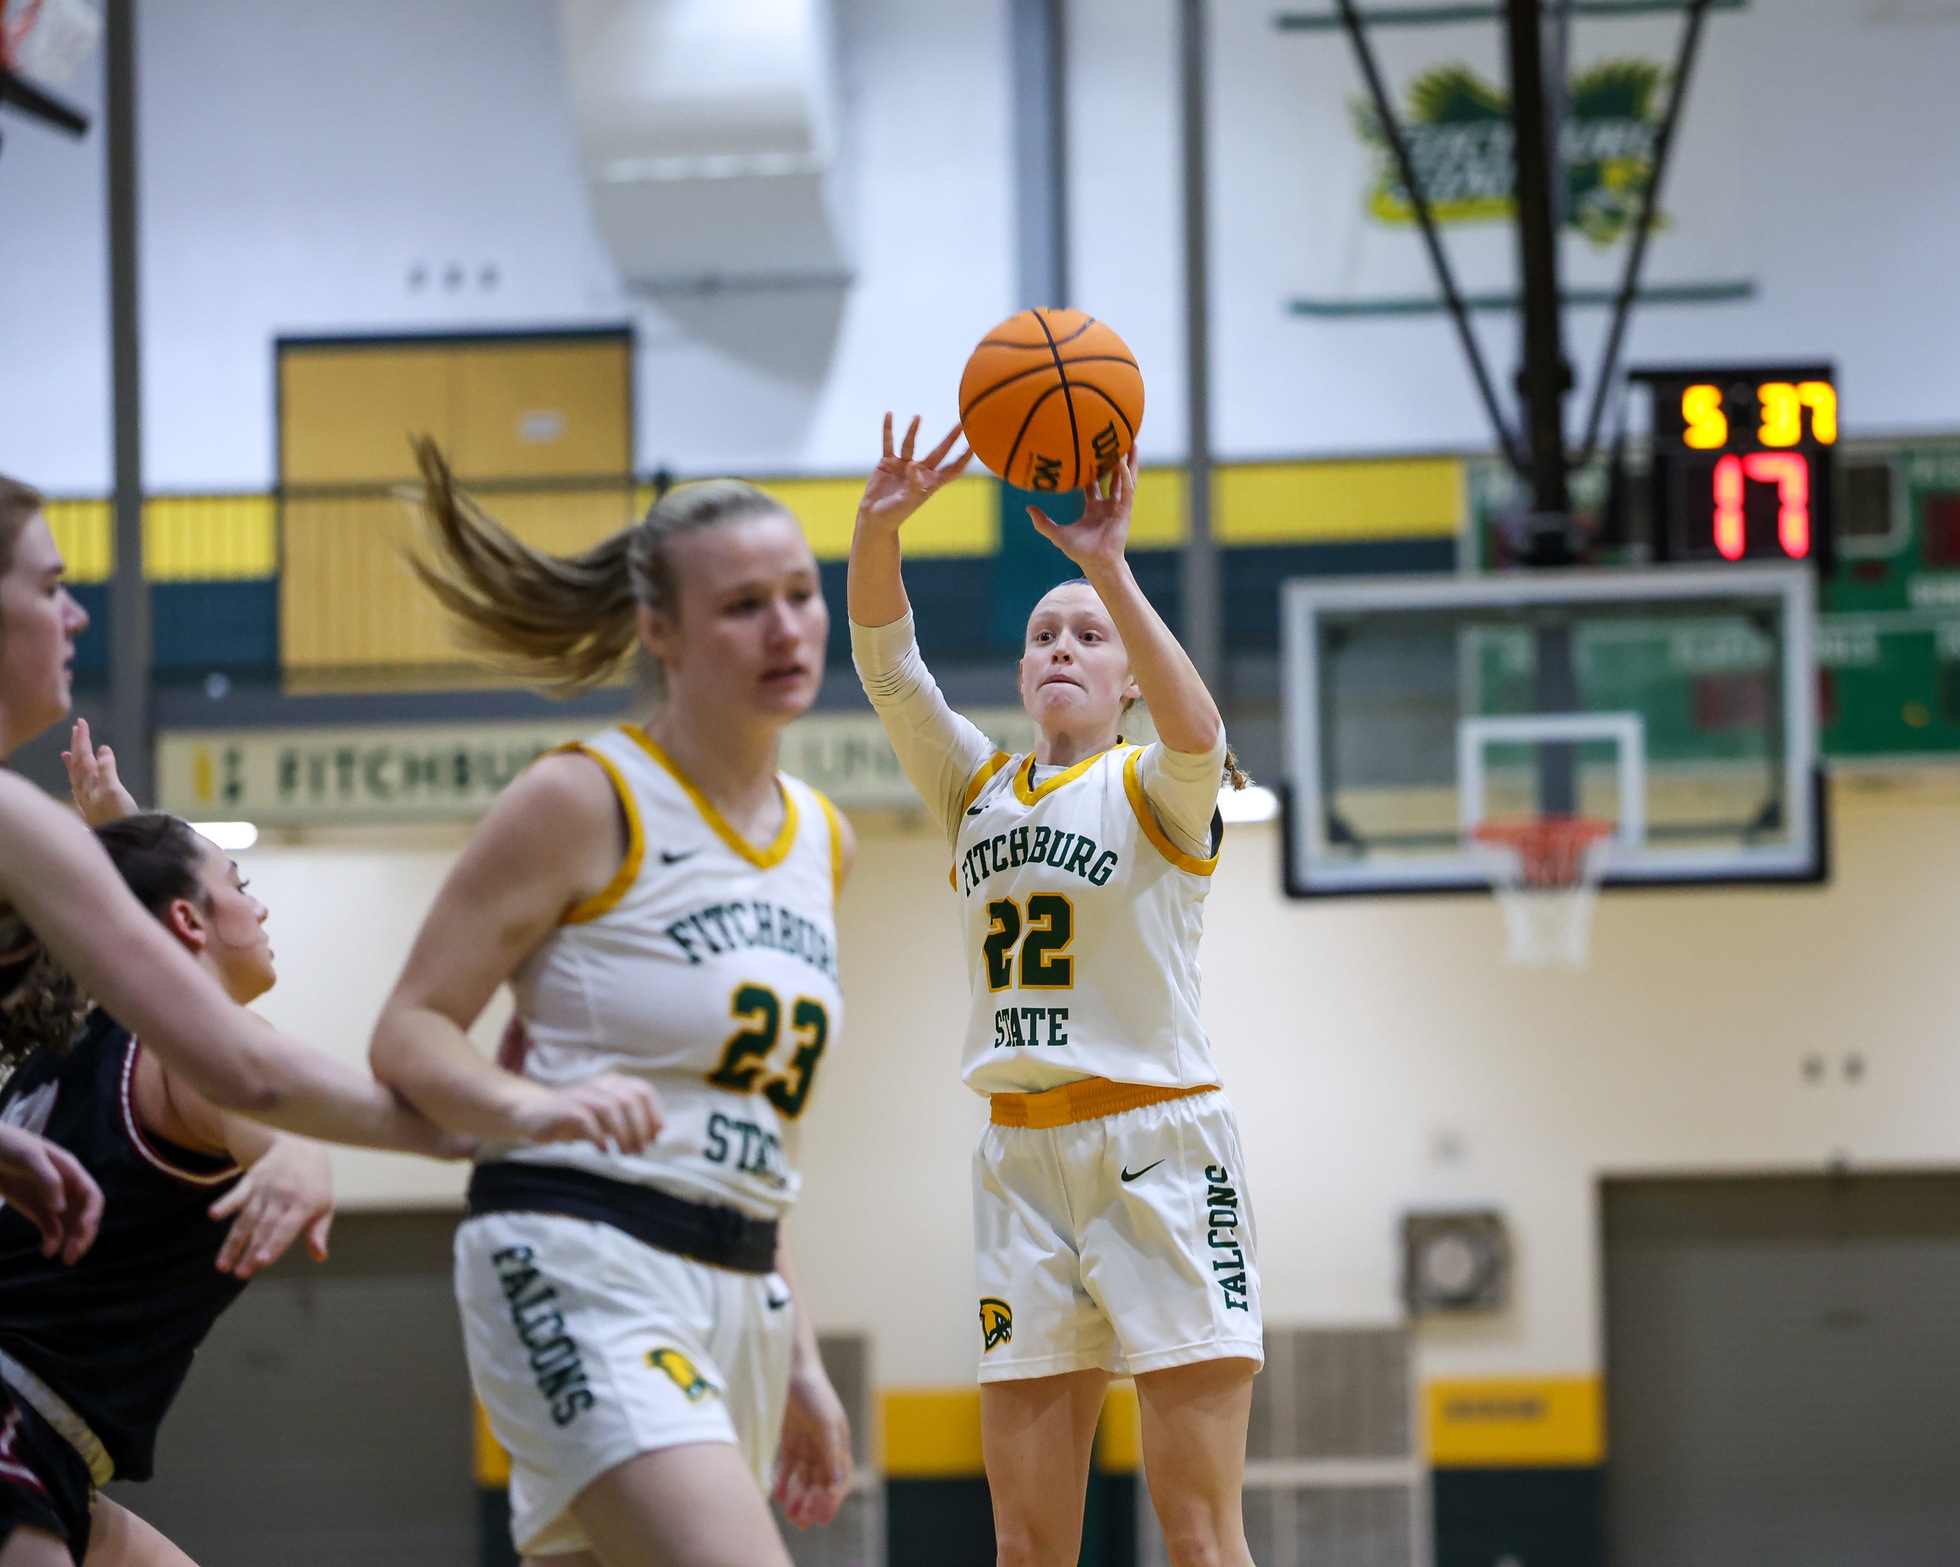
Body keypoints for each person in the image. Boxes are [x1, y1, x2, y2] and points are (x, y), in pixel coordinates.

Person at [370, 441, 855, 1567]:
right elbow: (407, 1030)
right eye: (742, 606)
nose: (785, 629)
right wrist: (527, 1105)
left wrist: (801, 1359)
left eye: (799, 595)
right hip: (579, 1249)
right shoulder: (582, 797)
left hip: (738, 1287)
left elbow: (751, 1136)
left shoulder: (819, 839)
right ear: (661, 632)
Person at [847, 417, 1261, 1567]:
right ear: (1022, 671)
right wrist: (877, 527)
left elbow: (1201, 729)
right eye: (1043, 636)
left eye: (1086, 636)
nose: (1062, 648)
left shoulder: (1155, 787)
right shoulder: (974, 785)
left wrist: (1107, 566)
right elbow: (887, 664)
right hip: (1018, 1156)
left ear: (1125, 676)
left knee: (1197, 1530)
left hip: (1158, 1149)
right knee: (1026, 1544)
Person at [0, 475, 462, 1193]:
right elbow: (244, 1070)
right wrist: (491, 1130)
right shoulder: (22, 827)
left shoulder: (36, 844)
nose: (77, 615)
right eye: (49, 587)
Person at [0, 797, 342, 1567]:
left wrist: (127, 849)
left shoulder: (86, 1038)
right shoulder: (195, 1050)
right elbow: (266, 1103)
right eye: (239, 881)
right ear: (189, 921)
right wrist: (295, 1154)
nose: (257, 905)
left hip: (51, 1444)